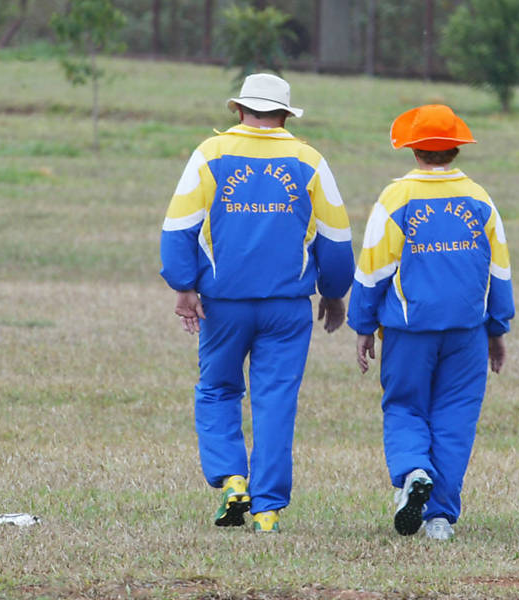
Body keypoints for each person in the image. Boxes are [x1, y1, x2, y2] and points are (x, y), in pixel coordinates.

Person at [160, 73, 354, 533]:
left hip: (223, 304)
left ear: (239, 110)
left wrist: (184, 286)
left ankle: (232, 478)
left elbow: (177, 228)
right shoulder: (309, 159)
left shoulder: (211, 154)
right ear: (285, 114)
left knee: (217, 390)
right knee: (275, 401)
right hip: (288, 307)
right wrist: (333, 291)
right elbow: (337, 239)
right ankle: (267, 511)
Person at [347, 104, 514, 540]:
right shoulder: (479, 198)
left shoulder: (396, 198)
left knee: (404, 406)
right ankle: (439, 518)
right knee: (456, 418)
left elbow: (373, 269)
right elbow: (498, 270)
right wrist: (497, 328)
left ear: (412, 148)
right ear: (457, 147)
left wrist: (363, 325)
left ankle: (413, 470)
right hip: (467, 331)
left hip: (407, 330)